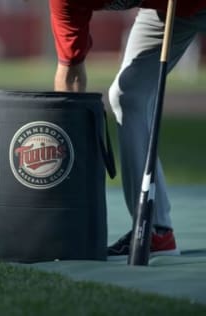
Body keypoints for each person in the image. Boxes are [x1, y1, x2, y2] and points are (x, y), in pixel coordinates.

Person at [48, 0, 206, 259]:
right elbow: (71, 74)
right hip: (169, 10)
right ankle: (155, 232)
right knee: (128, 95)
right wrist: (65, 162)